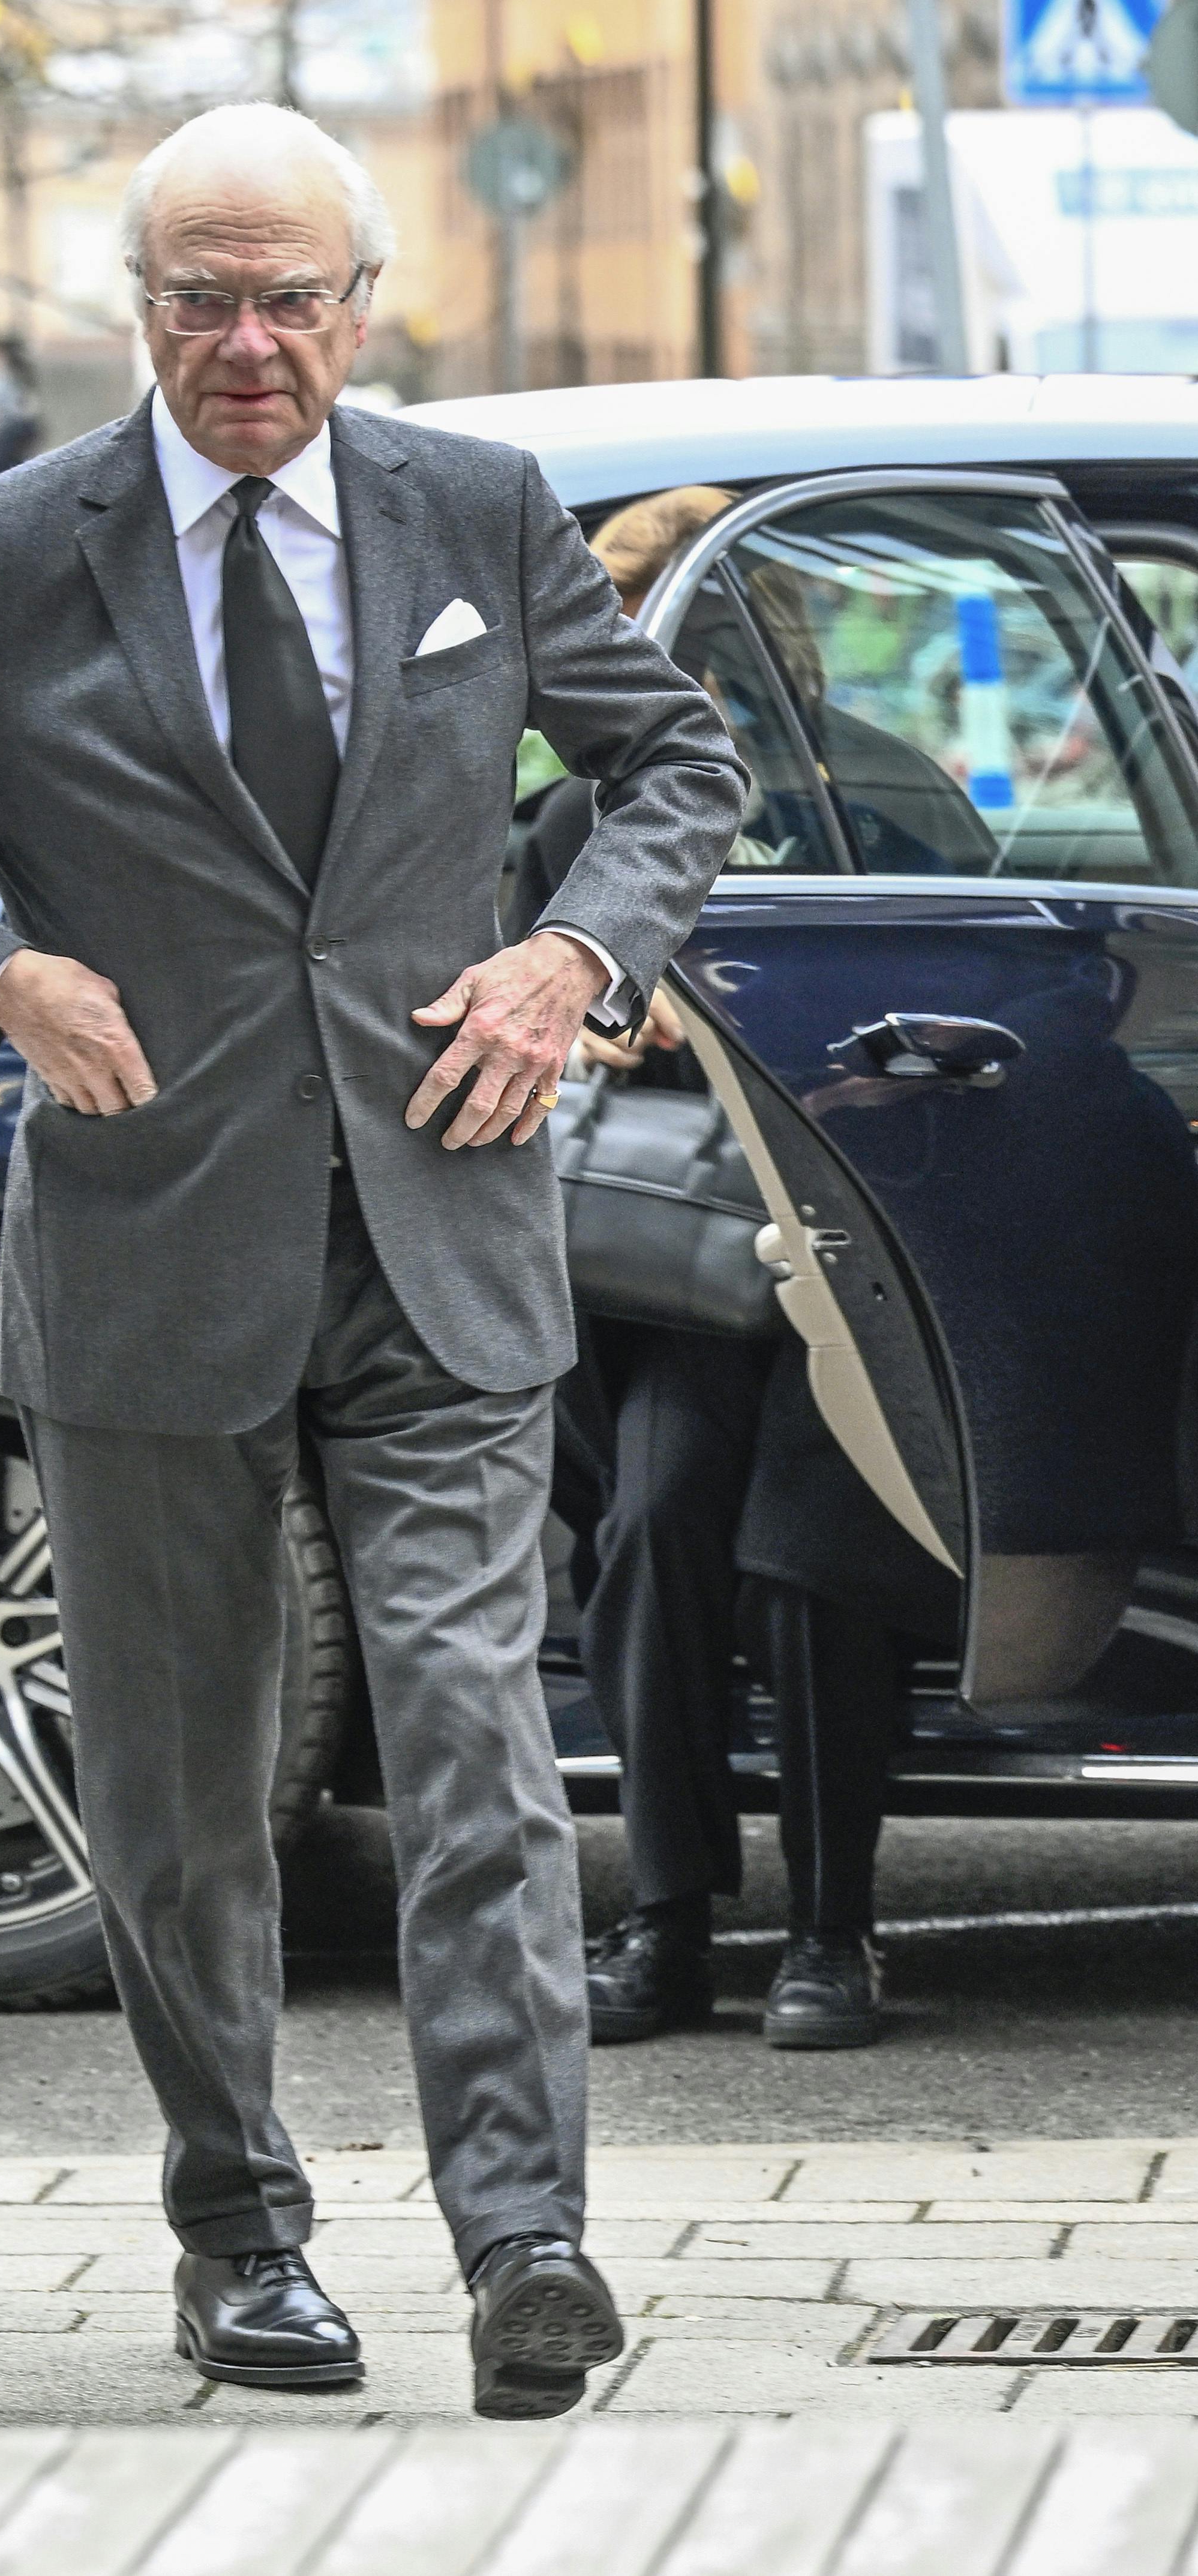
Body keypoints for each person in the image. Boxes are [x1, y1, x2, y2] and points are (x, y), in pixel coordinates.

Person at [0, 104, 744, 2421]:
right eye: (203, 302)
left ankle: (526, 2240)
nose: (251, 344)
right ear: (139, 313)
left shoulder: (472, 512)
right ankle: (235, 2234)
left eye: (293, 300)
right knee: (181, 1786)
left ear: (364, 308)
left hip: (443, 1226)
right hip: (154, 1240)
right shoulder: (1, 557)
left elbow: (679, 768)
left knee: (476, 1743)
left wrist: (574, 959)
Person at [525, 485, 959, 2052]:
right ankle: (666, 1918)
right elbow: (493, 1042)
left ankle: (832, 1937)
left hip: (875, 1261)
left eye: (677, 653)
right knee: (651, 1525)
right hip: (678, 1272)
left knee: (811, 1553)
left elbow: (986, 1028)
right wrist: (594, 1025)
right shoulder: (574, 829)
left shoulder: (889, 807)